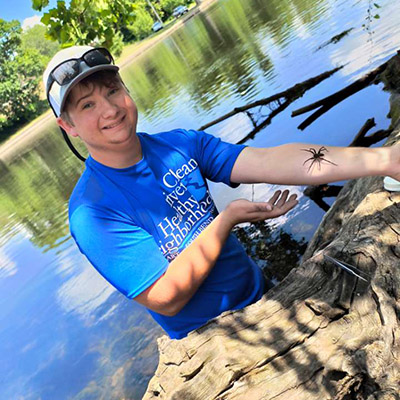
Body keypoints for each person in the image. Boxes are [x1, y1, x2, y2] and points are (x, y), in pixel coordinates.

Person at [44, 46, 400, 339]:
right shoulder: (92, 211)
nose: (109, 109)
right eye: (87, 105)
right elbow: (167, 297)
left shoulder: (180, 145)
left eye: (112, 91)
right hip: (213, 339)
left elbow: (272, 161)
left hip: (263, 294)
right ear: (68, 126)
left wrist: (383, 159)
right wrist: (226, 220)